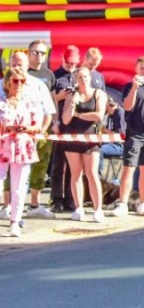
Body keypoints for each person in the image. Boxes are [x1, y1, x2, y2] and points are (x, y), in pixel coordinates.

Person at [111, 57, 144, 217]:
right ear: (136, 69)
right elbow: (127, 106)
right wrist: (135, 87)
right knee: (129, 168)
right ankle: (122, 203)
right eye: (142, 68)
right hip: (134, 132)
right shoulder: (129, 86)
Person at [3, 50, 53, 220]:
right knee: (5, 179)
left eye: (21, 64)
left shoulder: (38, 85)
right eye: (14, 64)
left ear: (27, 65)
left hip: (29, 141)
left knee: (28, 178)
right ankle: (6, 207)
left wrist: (40, 131)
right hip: (4, 144)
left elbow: (48, 112)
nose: (17, 67)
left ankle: (31, 207)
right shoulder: (1, 86)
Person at [0, 67, 46, 237]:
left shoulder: (29, 102)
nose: (18, 84)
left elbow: (37, 125)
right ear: (7, 82)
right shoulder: (1, 101)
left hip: (22, 146)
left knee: (19, 187)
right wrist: (7, 127)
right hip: (3, 146)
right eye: (15, 81)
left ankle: (14, 222)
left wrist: (27, 128)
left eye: (22, 81)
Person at [59, 65, 107, 223]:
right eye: (80, 77)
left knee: (92, 173)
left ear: (91, 78)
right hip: (72, 137)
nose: (83, 80)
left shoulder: (98, 94)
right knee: (76, 173)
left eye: (86, 77)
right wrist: (72, 105)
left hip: (91, 138)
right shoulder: (72, 95)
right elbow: (65, 120)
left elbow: (99, 115)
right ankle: (78, 208)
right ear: (75, 80)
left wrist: (79, 114)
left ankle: (98, 209)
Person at [49, 45, 82, 213]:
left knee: (73, 165)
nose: (71, 66)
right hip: (60, 125)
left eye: (74, 63)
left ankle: (70, 198)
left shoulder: (80, 76)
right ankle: (56, 199)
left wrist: (97, 131)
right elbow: (48, 100)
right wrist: (58, 96)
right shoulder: (55, 76)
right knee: (58, 164)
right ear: (63, 59)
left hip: (76, 125)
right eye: (69, 63)